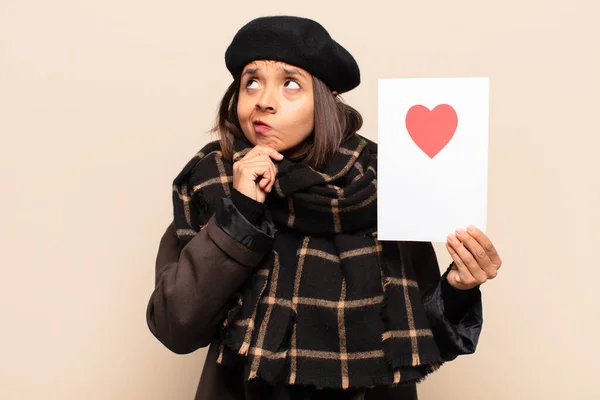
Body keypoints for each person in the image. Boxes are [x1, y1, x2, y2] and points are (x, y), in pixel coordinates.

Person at [146, 15, 502, 400]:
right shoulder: (211, 181)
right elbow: (174, 327)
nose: (264, 101)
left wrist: (458, 288)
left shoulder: (384, 181)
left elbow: (421, 337)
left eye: (290, 84)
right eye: (251, 83)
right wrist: (241, 212)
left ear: (326, 100)